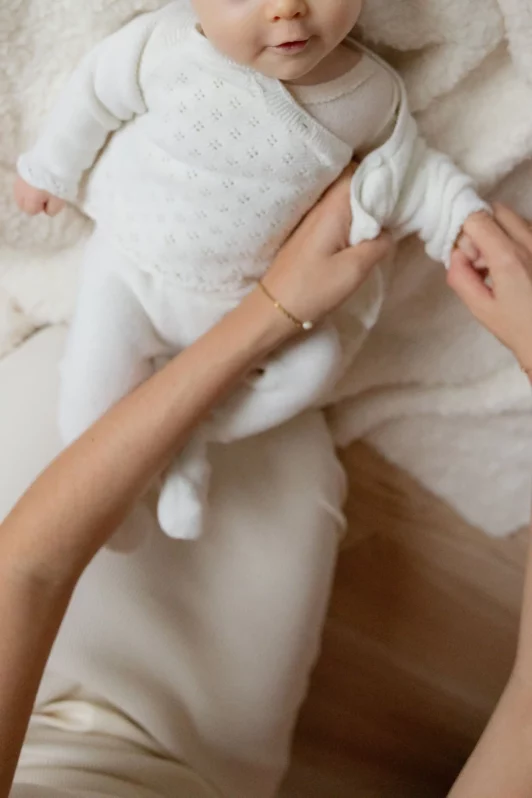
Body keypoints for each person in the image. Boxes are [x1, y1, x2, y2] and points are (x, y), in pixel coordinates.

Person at [1, 179, 532, 798]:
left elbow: (27, 571)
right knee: (291, 444)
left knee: (71, 361)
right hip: (197, 751)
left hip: (26, 649)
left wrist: (274, 310)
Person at [13, 0, 491, 542]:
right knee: (85, 412)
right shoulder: (166, 46)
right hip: (129, 275)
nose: (287, 8)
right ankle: (107, 509)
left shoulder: (369, 96)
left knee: (316, 364)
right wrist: (50, 168)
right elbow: (94, 95)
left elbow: (409, 177)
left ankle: (190, 435)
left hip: (244, 303)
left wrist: (462, 221)